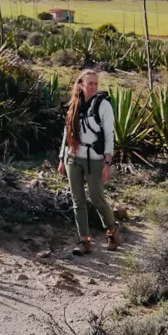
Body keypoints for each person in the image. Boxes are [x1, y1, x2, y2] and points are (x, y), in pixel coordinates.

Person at [58, 70, 120, 256]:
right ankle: (84, 240)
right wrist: (62, 159)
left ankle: (112, 229)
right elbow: (66, 134)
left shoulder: (103, 105)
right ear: (81, 85)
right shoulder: (73, 106)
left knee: (97, 198)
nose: (93, 87)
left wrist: (107, 162)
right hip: (73, 157)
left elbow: (109, 135)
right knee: (78, 201)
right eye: (89, 83)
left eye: (95, 83)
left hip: (95, 159)